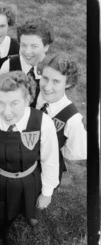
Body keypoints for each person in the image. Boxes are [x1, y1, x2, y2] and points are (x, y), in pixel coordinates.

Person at [0, 71, 59, 245]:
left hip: (27, 179)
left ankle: (7, 229)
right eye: (0, 103)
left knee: (15, 210)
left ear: (28, 100)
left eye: (14, 103)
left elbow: (50, 159)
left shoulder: (43, 123)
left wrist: (47, 192)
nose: (6, 111)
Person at [36, 52, 87, 184]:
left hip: (44, 173)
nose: (47, 87)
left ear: (68, 83)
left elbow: (76, 152)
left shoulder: (72, 119)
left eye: (56, 82)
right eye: (45, 78)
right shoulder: (31, 94)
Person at [0, 17, 55, 108]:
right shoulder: (9, 65)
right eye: (23, 45)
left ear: (46, 47)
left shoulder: (53, 71)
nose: (27, 52)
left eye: (34, 46)